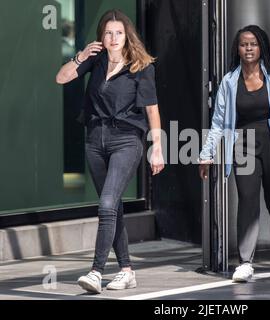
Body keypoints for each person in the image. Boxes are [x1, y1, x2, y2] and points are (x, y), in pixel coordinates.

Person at [55, 9, 164, 293]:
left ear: (127, 35)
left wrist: (157, 148)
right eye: (108, 32)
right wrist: (80, 57)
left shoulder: (140, 66)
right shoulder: (96, 59)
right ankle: (126, 270)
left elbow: (152, 109)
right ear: (101, 36)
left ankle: (96, 271)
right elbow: (62, 78)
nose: (113, 38)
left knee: (105, 205)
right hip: (95, 140)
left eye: (118, 32)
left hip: (126, 140)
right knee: (112, 208)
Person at [199, 25, 270, 282]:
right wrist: (206, 154)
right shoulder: (229, 81)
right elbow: (218, 122)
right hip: (243, 144)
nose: (248, 48)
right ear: (237, 49)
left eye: (253, 43)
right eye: (243, 44)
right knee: (247, 201)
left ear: (261, 46)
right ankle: (245, 262)